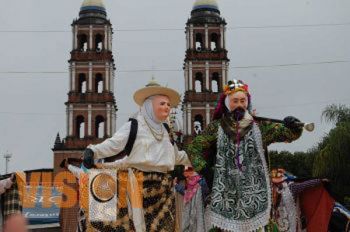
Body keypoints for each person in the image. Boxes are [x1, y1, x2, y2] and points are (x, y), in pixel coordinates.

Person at [186, 79, 304, 232]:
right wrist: (207, 171)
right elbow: (194, 148)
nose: (239, 105)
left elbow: (288, 134)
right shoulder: (216, 127)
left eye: (243, 100)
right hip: (226, 192)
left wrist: (294, 125)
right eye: (235, 101)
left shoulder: (259, 127)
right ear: (228, 103)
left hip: (256, 193)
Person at [82, 80, 192, 232]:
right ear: (149, 106)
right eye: (162, 103)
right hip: (138, 187)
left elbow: (176, 156)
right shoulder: (134, 126)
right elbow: (114, 144)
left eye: (168, 104)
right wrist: (93, 151)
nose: (167, 107)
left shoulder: (167, 131)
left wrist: (200, 157)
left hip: (164, 190)